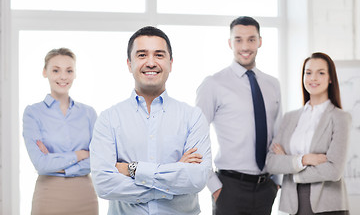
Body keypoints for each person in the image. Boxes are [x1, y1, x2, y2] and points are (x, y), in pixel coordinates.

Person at [90, 26, 212, 215]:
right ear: (129, 64)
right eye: (142, 55)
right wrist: (174, 174)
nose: (151, 62)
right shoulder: (108, 119)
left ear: (171, 63)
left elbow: (196, 179)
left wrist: (132, 169)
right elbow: (104, 185)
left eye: (159, 55)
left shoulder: (193, 117)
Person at [196, 16, 282, 215]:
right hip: (229, 188)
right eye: (238, 40)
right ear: (230, 43)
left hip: (265, 188)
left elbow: (278, 133)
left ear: (260, 41)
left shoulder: (273, 85)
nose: (245, 46)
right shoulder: (214, 84)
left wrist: (276, 181)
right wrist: (214, 186)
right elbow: (195, 136)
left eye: (251, 39)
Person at [266, 52, 351, 215]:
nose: (313, 78)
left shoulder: (340, 118)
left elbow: (334, 170)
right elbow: (271, 162)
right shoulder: (290, 118)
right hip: (293, 205)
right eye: (308, 72)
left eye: (321, 73)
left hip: (328, 206)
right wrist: (305, 159)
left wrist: (291, 169)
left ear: (330, 78)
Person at [22, 48, 98, 215]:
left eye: (69, 71)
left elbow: (98, 159)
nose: (63, 77)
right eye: (56, 70)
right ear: (45, 72)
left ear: (75, 74)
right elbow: (41, 164)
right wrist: (80, 154)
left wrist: (55, 162)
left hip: (85, 195)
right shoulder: (33, 113)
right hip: (49, 194)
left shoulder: (88, 113)